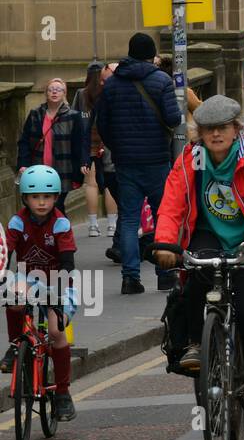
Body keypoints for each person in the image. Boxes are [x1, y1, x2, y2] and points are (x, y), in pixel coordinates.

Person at [152, 96, 244, 440]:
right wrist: (165, 244)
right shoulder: (191, 160)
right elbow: (172, 204)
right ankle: (198, 346)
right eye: (208, 129)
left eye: (222, 128)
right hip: (208, 236)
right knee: (194, 277)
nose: (215, 135)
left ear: (235, 129)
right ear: (200, 133)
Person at [93, 32, 183, 294]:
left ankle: (130, 278)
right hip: (156, 160)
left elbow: (104, 124)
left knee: (130, 219)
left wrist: (117, 146)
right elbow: (173, 117)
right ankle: (165, 274)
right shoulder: (161, 81)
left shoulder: (112, 84)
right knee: (162, 216)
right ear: (151, 54)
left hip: (126, 162)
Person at [1, 166, 79, 421]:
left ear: (56, 197)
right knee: (12, 297)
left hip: (59, 279)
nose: (41, 202)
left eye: (47, 196)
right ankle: (15, 346)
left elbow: (68, 262)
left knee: (56, 331)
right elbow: (7, 252)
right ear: (25, 198)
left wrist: (58, 290)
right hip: (27, 278)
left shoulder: (61, 223)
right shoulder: (17, 222)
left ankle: (63, 395)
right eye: (35, 197)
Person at [17, 78, 89, 216]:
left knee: (57, 205)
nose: (54, 92)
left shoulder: (73, 116)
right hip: (38, 168)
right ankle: (47, 235)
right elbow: (24, 141)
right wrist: (23, 164)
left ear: (64, 93)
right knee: (37, 206)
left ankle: (62, 235)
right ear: (46, 93)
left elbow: (80, 143)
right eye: (51, 90)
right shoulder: (35, 114)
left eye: (59, 90)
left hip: (62, 170)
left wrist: (82, 163)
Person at [72, 63, 117, 241]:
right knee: (109, 183)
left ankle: (92, 225)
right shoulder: (108, 93)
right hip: (107, 141)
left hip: (88, 142)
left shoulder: (81, 94)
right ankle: (112, 224)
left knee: (91, 184)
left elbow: (75, 117)